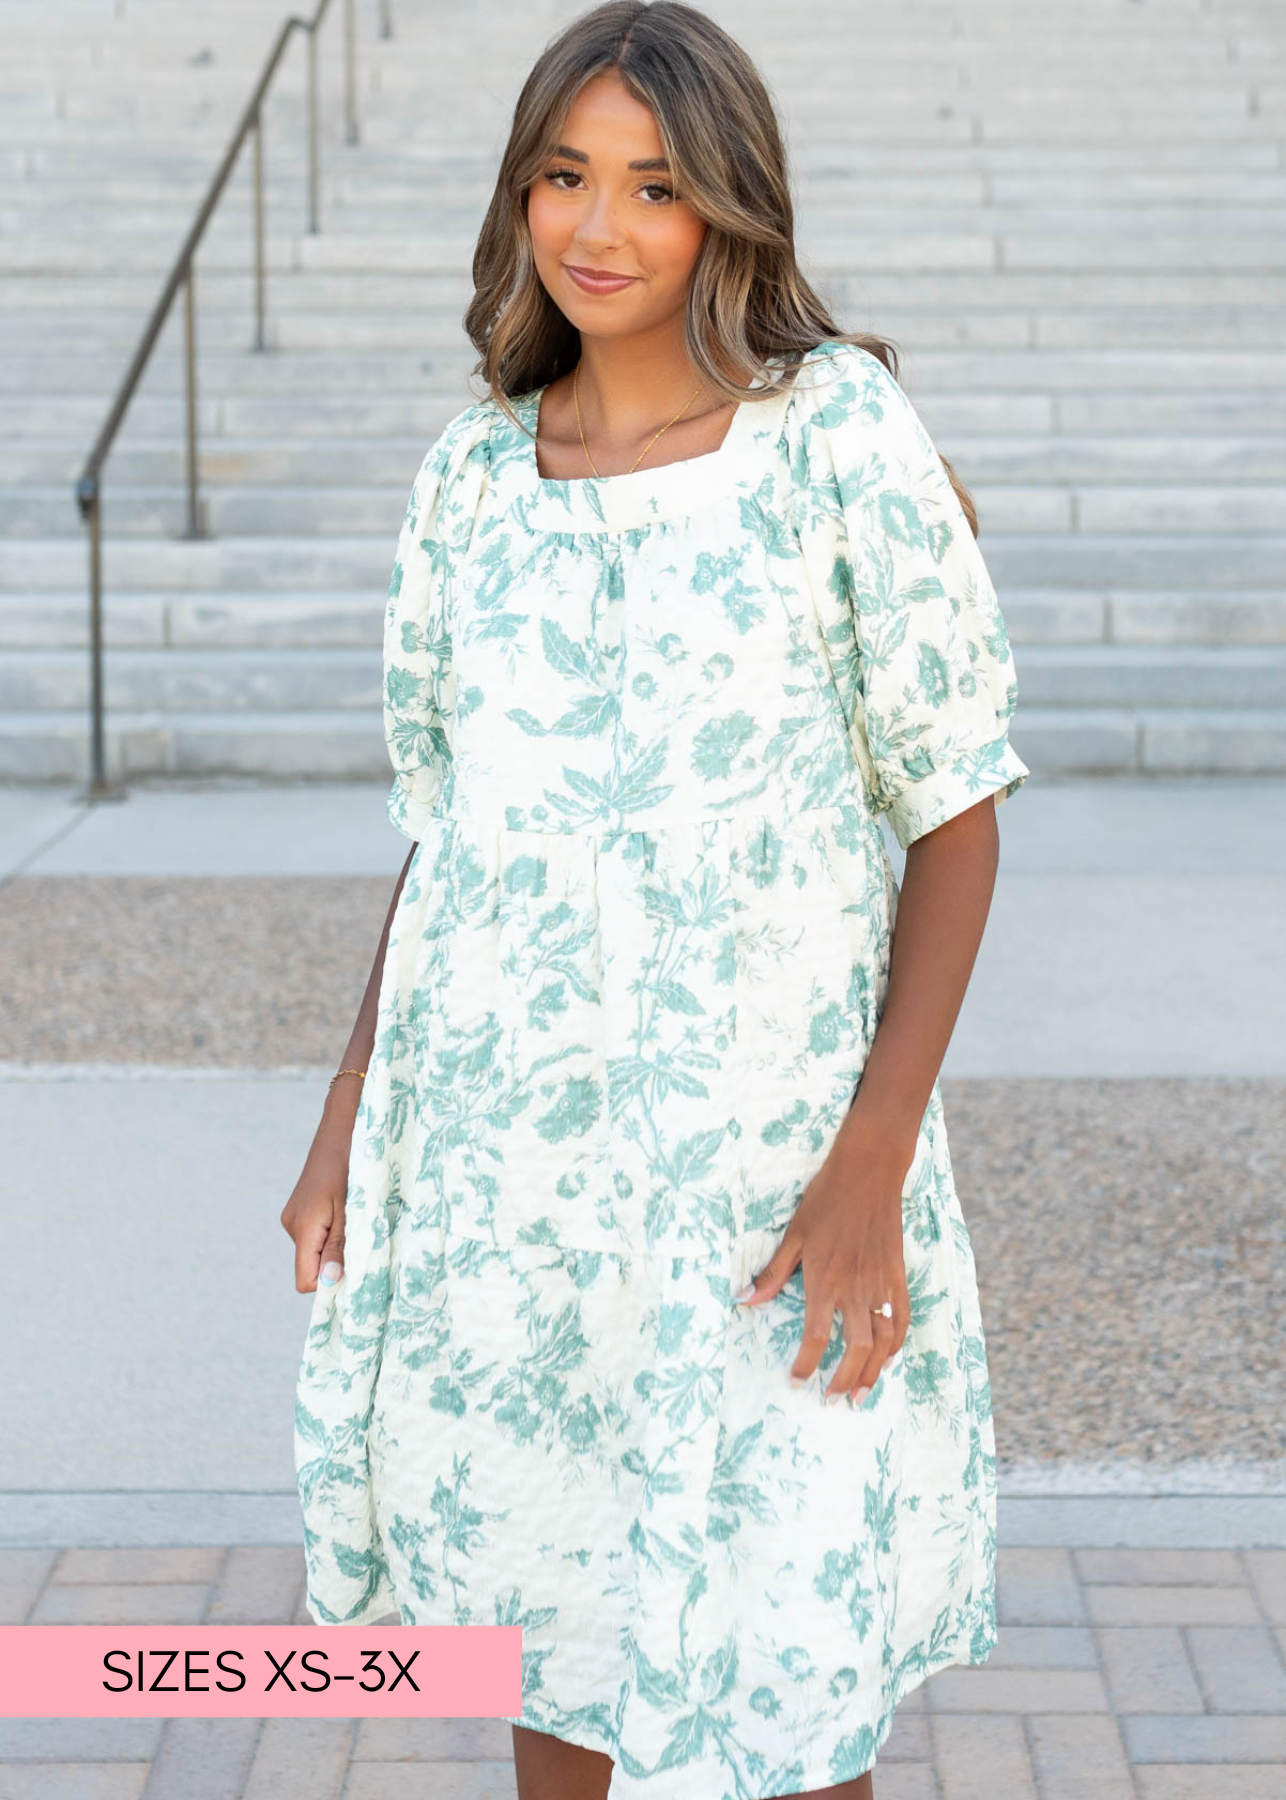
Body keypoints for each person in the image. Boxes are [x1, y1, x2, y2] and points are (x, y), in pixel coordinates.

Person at [281, 4, 1030, 1796]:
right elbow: (450, 839)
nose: (596, 228)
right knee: (551, 1626)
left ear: (729, 213)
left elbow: (956, 812)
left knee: (783, 1663)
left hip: (761, 1173)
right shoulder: (472, 476)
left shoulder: (832, 435)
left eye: (652, 186)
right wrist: (342, 1132)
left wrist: (869, 1162)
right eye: (562, 175)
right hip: (506, 1176)